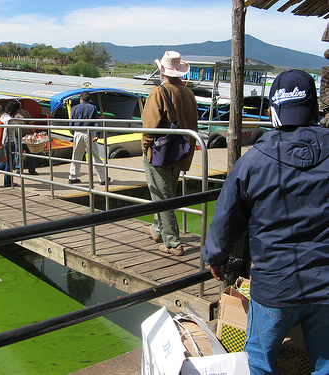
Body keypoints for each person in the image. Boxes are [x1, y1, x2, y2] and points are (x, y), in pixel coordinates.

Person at [203, 69, 329, 375]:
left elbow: (225, 218)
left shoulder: (253, 160)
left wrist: (217, 258)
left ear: (273, 112)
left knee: (258, 362)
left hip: (276, 284)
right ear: (315, 108)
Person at [141, 51, 198, 256]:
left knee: (162, 195)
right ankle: (157, 230)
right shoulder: (189, 93)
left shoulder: (158, 92)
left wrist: (145, 147)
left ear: (162, 72)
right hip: (182, 151)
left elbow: (150, 127)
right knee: (167, 191)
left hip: (161, 153)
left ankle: (173, 243)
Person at [68, 91, 110, 185]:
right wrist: (97, 135)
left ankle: (72, 176)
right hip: (88, 132)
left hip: (78, 132)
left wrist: (74, 133)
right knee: (94, 156)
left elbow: (71, 124)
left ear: (81, 98)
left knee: (76, 155)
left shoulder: (74, 108)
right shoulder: (93, 108)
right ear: (89, 100)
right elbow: (96, 123)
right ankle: (103, 178)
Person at [0, 100, 20, 187]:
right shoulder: (9, 119)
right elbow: (5, 133)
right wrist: (2, 145)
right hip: (9, 143)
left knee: (4, 163)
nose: (19, 111)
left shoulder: (3, 116)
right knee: (9, 164)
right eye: (18, 109)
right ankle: (8, 182)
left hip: (6, 143)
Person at [14, 101, 39, 176]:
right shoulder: (12, 113)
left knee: (31, 152)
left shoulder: (25, 113)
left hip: (26, 136)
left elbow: (30, 123)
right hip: (17, 136)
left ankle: (32, 169)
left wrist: (34, 132)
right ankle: (19, 169)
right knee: (18, 153)